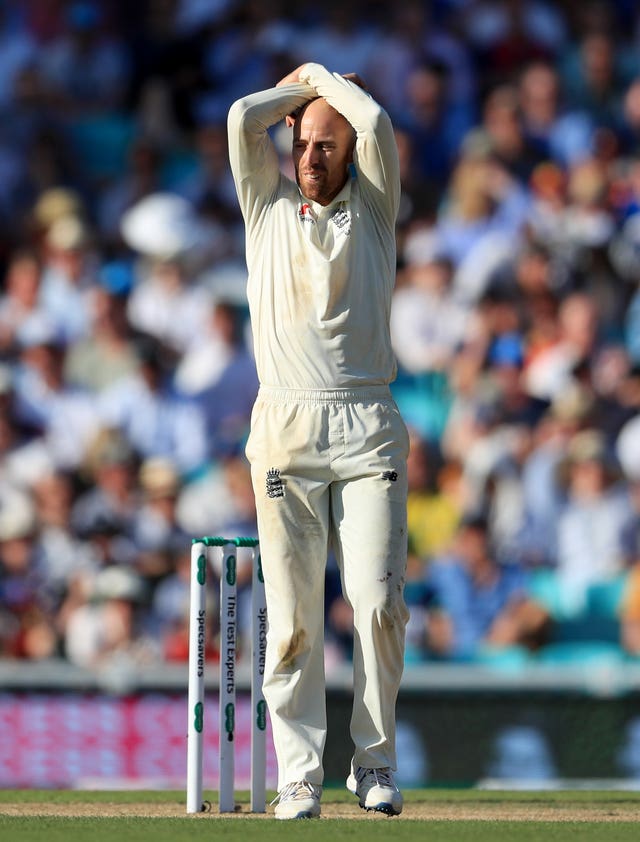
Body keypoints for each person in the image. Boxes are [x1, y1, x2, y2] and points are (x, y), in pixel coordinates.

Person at [228, 62, 409, 819]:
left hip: (366, 425)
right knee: (296, 615)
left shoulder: (374, 209)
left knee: (374, 604)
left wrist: (332, 86)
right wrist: (303, 94)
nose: (310, 156)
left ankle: (374, 765)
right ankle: (299, 776)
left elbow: (372, 126)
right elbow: (243, 117)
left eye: (324, 146)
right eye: (302, 143)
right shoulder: (264, 206)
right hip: (285, 427)